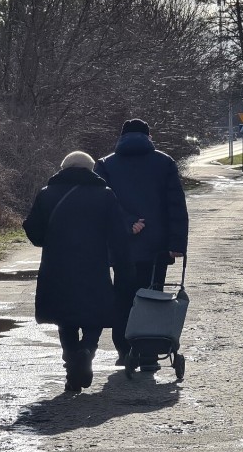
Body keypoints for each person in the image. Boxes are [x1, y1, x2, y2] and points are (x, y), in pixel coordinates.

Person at [23, 151, 132, 393]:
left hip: (57, 265)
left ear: (64, 168)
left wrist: (50, 240)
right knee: (94, 313)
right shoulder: (104, 195)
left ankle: (72, 363)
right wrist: (123, 264)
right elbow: (118, 234)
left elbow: (34, 231)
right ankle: (87, 350)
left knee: (65, 317)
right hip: (94, 264)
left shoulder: (46, 194)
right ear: (90, 170)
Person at [94, 119, 189, 371]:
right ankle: (149, 352)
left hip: (121, 246)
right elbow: (175, 206)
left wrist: (128, 223)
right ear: (149, 136)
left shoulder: (105, 164)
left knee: (123, 296)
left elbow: (103, 202)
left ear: (121, 136)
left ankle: (124, 350)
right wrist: (177, 243)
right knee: (153, 295)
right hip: (157, 248)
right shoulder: (164, 163)